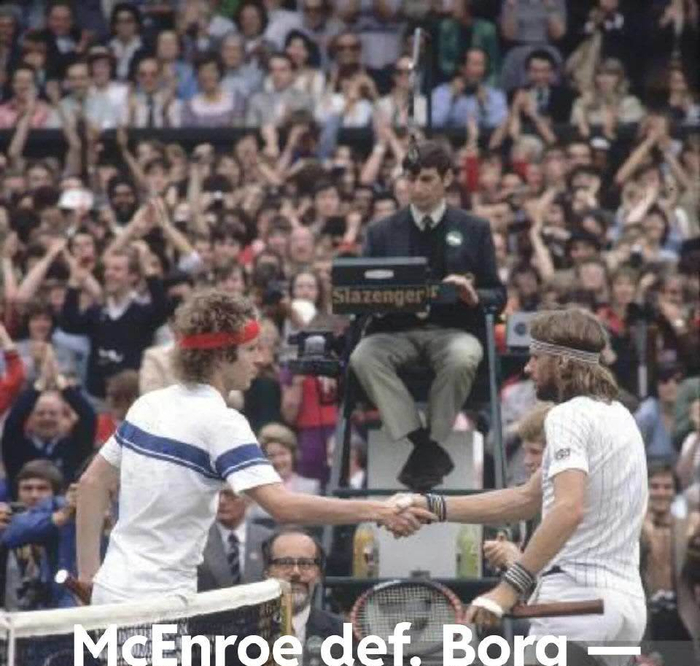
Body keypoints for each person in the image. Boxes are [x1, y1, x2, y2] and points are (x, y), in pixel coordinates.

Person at [77, 289, 432, 603]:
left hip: (112, 591)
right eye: (250, 349)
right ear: (221, 356)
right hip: (158, 603)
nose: (260, 360)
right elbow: (284, 507)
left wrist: (89, 577)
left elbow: (92, 483)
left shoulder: (149, 404)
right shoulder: (223, 422)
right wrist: (380, 510)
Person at [405, 309, 648, 665]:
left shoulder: (566, 416)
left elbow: (568, 509)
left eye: (536, 357)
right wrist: (432, 506)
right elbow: (526, 498)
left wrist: (507, 590)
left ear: (562, 362)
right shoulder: (620, 416)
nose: (528, 368)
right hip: (625, 612)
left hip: (576, 604)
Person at [349, 140, 506, 490]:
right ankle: (424, 446)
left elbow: (498, 294)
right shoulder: (380, 232)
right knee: (363, 356)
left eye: (426, 179)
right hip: (394, 331)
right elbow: (360, 292)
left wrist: (472, 294)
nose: (416, 188)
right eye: (411, 179)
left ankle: (427, 445)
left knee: (464, 356)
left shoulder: (474, 228)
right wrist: (383, 299)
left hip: (453, 331)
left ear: (446, 179)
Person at [262, 528, 345, 648]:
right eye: (285, 563)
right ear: (267, 573)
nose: (296, 572)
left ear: (318, 574)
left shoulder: (343, 635)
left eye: (305, 563)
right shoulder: (242, 635)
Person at [197, 489, 271, 590]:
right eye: (217, 495)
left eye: (230, 495)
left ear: (248, 500)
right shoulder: (199, 539)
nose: (222, 501)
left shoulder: (268, 539)